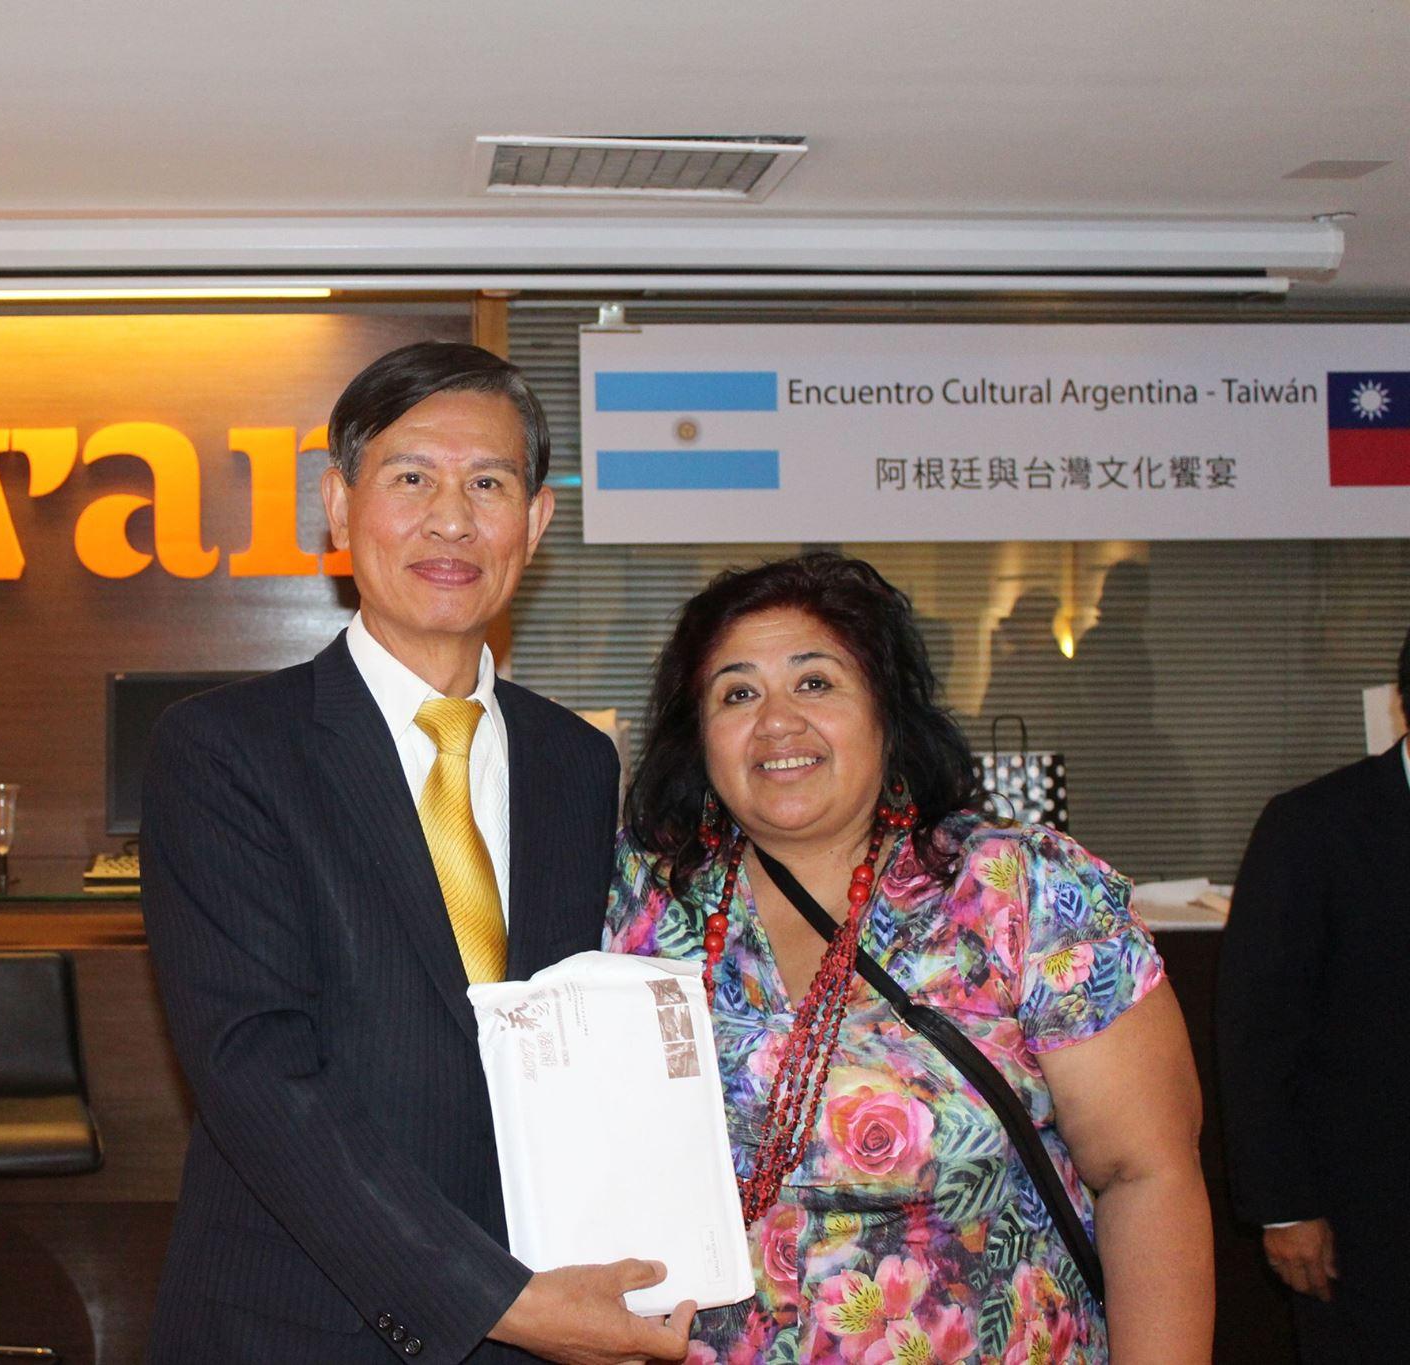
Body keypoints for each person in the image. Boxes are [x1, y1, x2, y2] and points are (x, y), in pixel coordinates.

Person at [141, 340, 696, 1364]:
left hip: (545, 1314)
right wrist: (494, 1301)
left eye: (488, 483)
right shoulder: (224, 750)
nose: (451, 519)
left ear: (535, 520)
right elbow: (257, 1073)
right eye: (410, 479)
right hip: (301, 1325)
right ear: (337, 506)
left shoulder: (576, 762)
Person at [603, 553, 1213, 1363]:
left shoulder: (1020, 891)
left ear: (887, 712)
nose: (777, 721)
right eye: (737, 693)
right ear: (699, 737)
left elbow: (1146, 1175)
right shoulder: (636, 902)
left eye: (815, 682)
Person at [1217, 626, 1410, 1362]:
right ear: (1404, 703)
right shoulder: (1313, 826)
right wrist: (1284, 1206)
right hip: (1366, 1216)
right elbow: (1256, 1031)